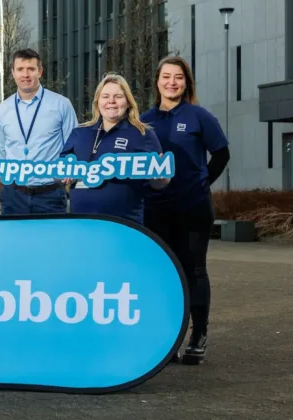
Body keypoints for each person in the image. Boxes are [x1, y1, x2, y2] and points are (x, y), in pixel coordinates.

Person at [141, 56, 230, 365]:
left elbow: (221, 153)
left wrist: (203, 182)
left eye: (178, 77)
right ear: (157, 82)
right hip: (155, 211)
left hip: (192, 208)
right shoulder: (144, 119)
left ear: (186, 82)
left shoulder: (198, 116)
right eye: (166, 77)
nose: (172, 82)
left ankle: (198, 334)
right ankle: (168, 340)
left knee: (194, 270)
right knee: (164, 273)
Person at [60, 73, 168, 224]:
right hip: (81, 222)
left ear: (128, 102)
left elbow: (158, 184)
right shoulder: (79, 132)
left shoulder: (143, 134)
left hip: (124, 224)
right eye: (105, 96)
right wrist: (64, 173)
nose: (111, 101)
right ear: (98, 102)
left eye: (118, 96)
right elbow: (59, 169)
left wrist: (161, 178)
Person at [0, 48, 78, 215]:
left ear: (40, 71)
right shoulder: (2, 110)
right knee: (12, 241)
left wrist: (69, 172)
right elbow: (2, 151)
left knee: (50, 241)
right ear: (13, 72)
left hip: (50, 195)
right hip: (13, 195)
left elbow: (73, 145)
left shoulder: (61, 105)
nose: (26, 74)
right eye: (20, 69)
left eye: (31, 69)